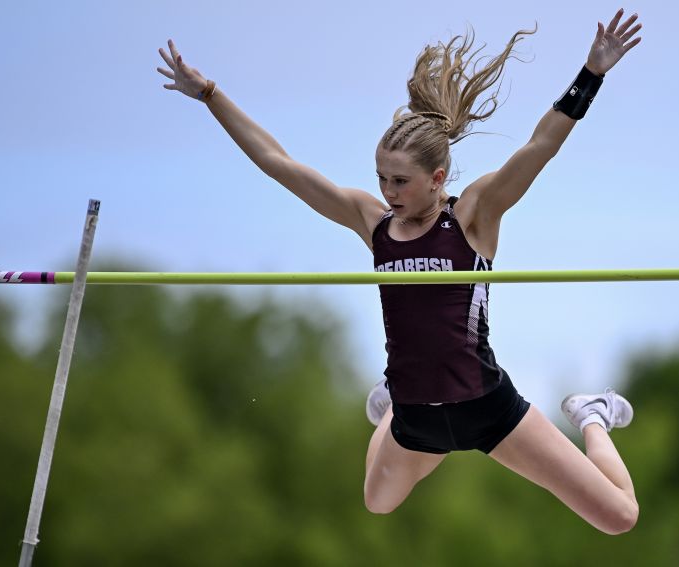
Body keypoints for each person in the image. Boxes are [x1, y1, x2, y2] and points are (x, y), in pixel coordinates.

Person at [158, 8, 642, 534]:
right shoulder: (373, 223)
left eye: (401, 181)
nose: (389, 192)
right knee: (377, 502)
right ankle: (388, 404)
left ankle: (592, 415)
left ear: (437, 178)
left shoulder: (474, 214)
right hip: (416, 414)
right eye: (381, 178)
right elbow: (279, 163)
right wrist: (210, 95)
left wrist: (591, 73)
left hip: (486, 407)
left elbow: (540, 146)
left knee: (619, 516)